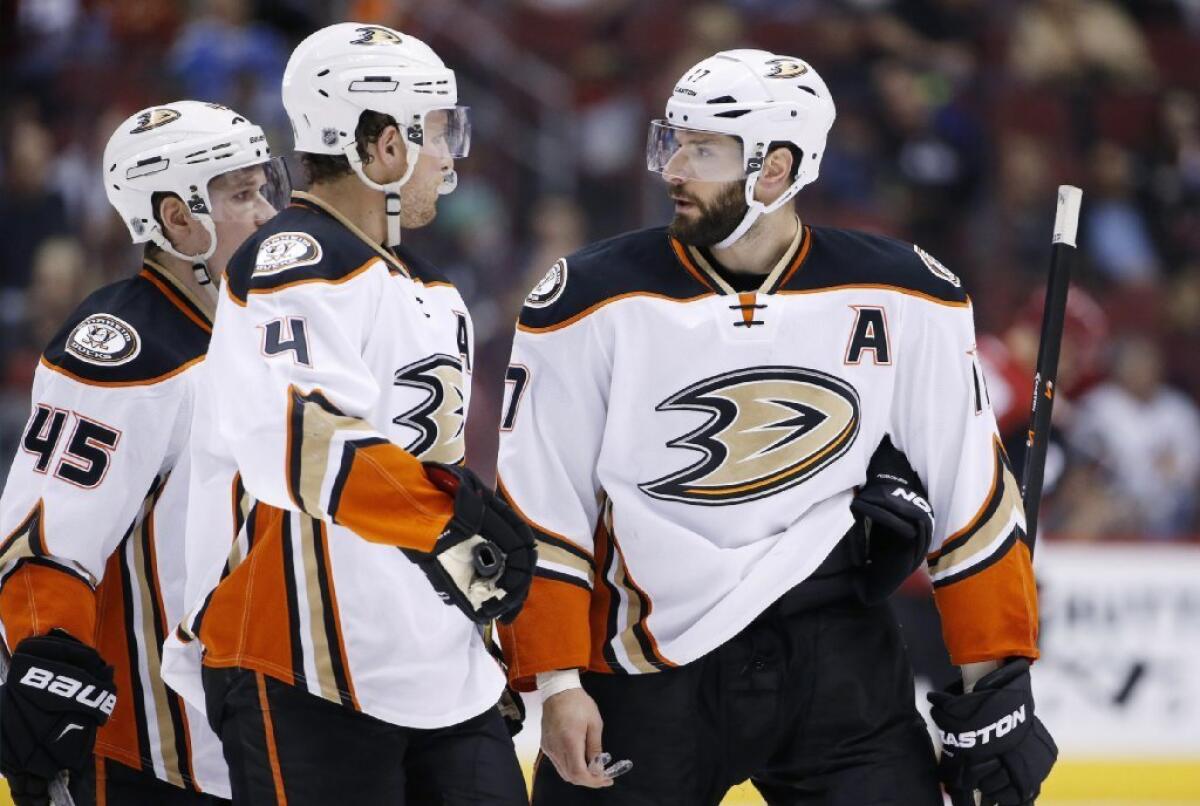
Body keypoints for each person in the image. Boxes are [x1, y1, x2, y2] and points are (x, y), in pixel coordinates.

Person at [497, 49, 1057, 805]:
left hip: (836, 652)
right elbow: (543, 503)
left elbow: (971, 490)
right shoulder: (586, 302)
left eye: (702, 151)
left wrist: (995, 682)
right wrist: (557, 682)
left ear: (774, 168)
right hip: (647, 658)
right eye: (673, 142)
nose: (672, 169)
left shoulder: (905, 295)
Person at [159, 23, 534, 805]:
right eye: (438, 131)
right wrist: (458, 529)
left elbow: (429, 472)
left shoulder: (433, 289)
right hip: (301, 663)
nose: (451, 155)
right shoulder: (289, 263)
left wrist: (473, 610)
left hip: (436, 667)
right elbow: (302, 446)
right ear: (383, 144)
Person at [0, 101, 288, 805]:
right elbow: (41, 545)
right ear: (177, 218)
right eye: (243, 195)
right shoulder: (123, 351)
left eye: (267, 188)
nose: (267, 214)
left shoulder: (273, 330)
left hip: (272, 740)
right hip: (155, 757)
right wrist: (49, 678)